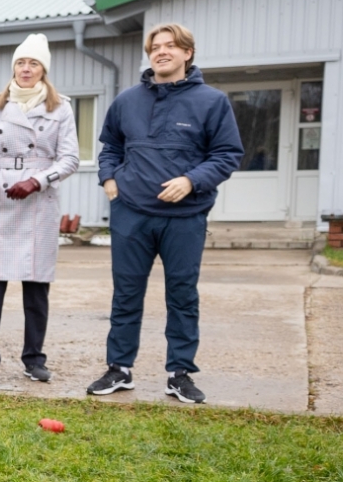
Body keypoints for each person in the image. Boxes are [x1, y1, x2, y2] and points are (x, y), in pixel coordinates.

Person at [88, 23, 243, 404]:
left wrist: (192, 181)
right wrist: (110, 181)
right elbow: (110, 147)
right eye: (155, 47)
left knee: (182, 295)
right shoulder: (127, 101)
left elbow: (227, 154)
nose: (162, 52)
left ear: (187, 53)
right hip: (132, 215)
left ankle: (180, 373)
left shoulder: (211, 101)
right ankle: (119, 369)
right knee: (126, 294)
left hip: (185, 217)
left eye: (171, 46)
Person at [0, 34, 80, 387]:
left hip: (38, 202)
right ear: (13, 67)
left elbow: (70, 158)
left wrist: (38, 181)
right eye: (21, 62)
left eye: (33, 63)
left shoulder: (60, 106)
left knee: (36, 286)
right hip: (1, 197)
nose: (26, 69)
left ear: (43, 69)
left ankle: (34, 359)